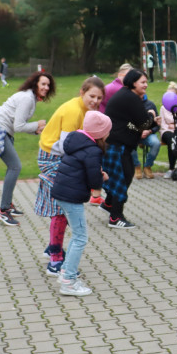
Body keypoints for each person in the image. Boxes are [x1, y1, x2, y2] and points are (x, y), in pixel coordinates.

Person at [37, 77, 105, 276]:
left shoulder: (88, 111)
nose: (95, 101)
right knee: (61, 208)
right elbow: (68, 147)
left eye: (99, 98)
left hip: (62, 155)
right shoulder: (74, 111)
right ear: (82, 92)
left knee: (63, 207)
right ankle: (55, 258)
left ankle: (52, 246)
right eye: (92, 96)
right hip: (52, 155)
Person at [0, 71, 54, 226]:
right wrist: (38, 124)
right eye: (43, 84)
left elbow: (18, 124)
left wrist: (35, 129)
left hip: (3, 130)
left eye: (48, 85)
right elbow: (19, 126)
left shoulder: (30, 97)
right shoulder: (27, 98)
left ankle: (7, 204)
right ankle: (3, 209)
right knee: (15, 166)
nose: (46, 87)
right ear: (35, 83)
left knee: (13, 167)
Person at [51, 111, 110, 295]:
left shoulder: (77, 142)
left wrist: (98, 176)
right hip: (71, 196)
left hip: (64, 192)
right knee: (80, 237)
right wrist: (100, 183)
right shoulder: (92, 150)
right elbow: (93, 177)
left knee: (77, 235)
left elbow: (83, 170)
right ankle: (69, 281)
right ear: (100, 133)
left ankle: (64, 272)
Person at [102, 69, 155, 228]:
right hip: (117, 145)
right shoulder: (131, 97)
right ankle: (115, 217)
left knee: (126, 174)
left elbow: (126, 121)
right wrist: (151, 114)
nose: (146, 85)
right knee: (123, 177)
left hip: (115, 143)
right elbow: (144, 123)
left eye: (146, 82)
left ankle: (109, 204)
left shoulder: (125, 94)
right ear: (133, 82)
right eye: (143, 82)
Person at [132, 93, 160, 179]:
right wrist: (139, 132)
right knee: (128, 143)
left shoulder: (150, 105)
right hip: (133, 134)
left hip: (148, 133)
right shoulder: (130, 104)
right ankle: (137, 166)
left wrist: (150, 131)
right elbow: (126, 123)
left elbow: (157, 124)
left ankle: (147, 166)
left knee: (156, 143)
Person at [159, 83, 177, 179]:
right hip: (166, 131)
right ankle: (171, 168)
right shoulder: (163, 108)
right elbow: (163, 124)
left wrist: (175, 126)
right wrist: (171, 128)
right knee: (171, 139)